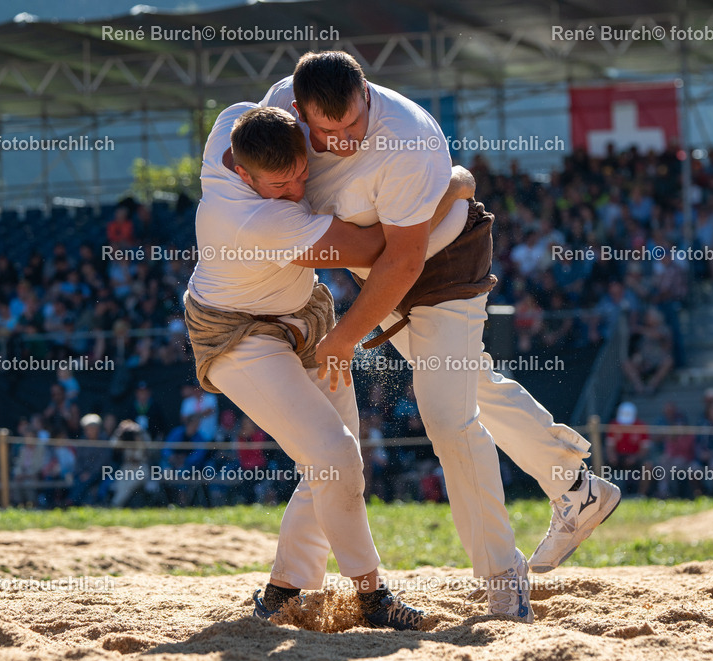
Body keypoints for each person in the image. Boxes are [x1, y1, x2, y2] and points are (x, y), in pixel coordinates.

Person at [261, 51, 620, 622]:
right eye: (327, 132)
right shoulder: (278, 110)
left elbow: (401, 263)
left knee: (448, 415)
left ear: (367, 95)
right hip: (380, 271)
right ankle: (577, 489)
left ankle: (503, 576)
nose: (343, 140)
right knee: (467, 387)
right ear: (301, 111)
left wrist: (344, 338)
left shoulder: (407, 136)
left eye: (353, 124)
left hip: (444, 267)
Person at [184, 103, 469, 630]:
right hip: (237, 335)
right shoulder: (257, 217)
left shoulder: (235, 121)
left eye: (301, 175)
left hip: (303, 313)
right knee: (335, 456)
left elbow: (291, 95)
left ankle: (284, 591)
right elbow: (381, 245)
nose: (296, 192)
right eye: (280, 185)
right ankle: (372, 594)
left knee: (338, 465)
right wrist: (449, 187)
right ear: (240, 171)